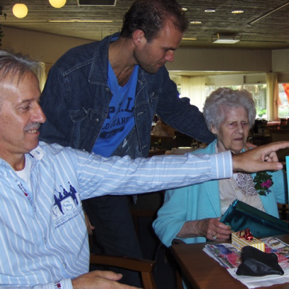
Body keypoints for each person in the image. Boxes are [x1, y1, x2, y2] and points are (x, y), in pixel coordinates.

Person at [0, 50, 289, 288]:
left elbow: (137, 173)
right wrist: (69, 287)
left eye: (38, 102)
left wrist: (235, 161)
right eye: (26, 106)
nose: (41, 115)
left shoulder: (58, 162)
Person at [39, 0, 217, 285]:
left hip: (113, 180)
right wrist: (71, 203)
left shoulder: (152, 74)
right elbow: (46, 145)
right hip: (69, 181)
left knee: (129, 262)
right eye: (166, 48)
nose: (170, 57)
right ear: (138, 37)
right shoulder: (73, 72)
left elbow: (177, 110)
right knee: (73, 266)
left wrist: (223, 138)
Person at [153, 88, 288, 246]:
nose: (240, 130)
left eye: (244, 123)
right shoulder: (194, 167)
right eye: (231, 124)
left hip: (268, 248)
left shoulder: (259, 159)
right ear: (213, 127)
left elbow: (288, 197)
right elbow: (163, 225)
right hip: (219, 255)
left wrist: (275, 170)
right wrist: (200, 227)